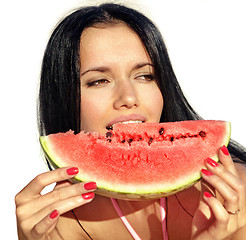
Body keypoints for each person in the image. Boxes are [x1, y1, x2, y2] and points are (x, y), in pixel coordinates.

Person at [15, 3, 246, 240]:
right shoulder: (60, 223)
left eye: (145, 76)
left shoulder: (233, 194)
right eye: (98, 81)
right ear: (62, 97)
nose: (128, 97)